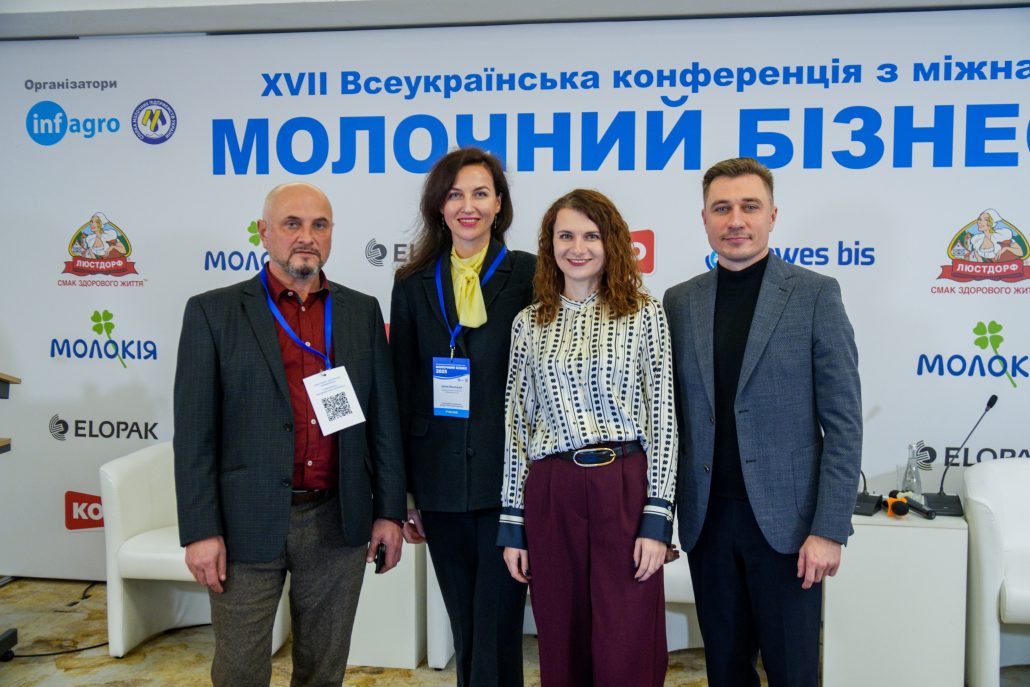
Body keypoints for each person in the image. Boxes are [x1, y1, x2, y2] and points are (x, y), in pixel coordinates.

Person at [173, 182, 406, 687]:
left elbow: (383, 422)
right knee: (239, 671)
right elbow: (194, 436)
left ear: (332, 233)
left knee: (324, 671)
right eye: (292, 224)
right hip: (244, 522)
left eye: (319, 225)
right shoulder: (213, 312)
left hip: (336, 520)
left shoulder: (360, 311)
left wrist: (389, 512)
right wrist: (200, 531)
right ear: (263, 232)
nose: (307, 237)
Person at [663, 157, 862, 687]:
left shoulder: (815, 294)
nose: (736, 220)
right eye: (721, 208)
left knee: (793, 671)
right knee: (725, 671)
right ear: (704, 219)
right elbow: (668, 419)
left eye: (749, 206)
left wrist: (828, 529)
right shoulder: (679, 302)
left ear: (772, 216)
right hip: (707, 522)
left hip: (789, 528)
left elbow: (844, 424)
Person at [499, 189, 677, 687]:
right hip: (552, 489)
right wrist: (513, 523)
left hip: (624, 485)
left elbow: (664, 417)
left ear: (611, 242)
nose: (577, 248)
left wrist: (658, 517)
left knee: (628, 641)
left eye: (591, 236)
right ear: (550, 244)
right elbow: (516, 423)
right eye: (566, 236)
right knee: (562, 638)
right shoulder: (529, 323)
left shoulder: (644, 313)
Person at [390, 147, 534, 687]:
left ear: (499, 204)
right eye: (455, 195)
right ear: (439, 205)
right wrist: (404, 494)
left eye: (480, 193)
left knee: (497, 622)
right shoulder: (412, 281)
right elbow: (402, 387)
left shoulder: (531, 274)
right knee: (466, 625)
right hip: (439, 481)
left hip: (508, 481)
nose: (467, 206)